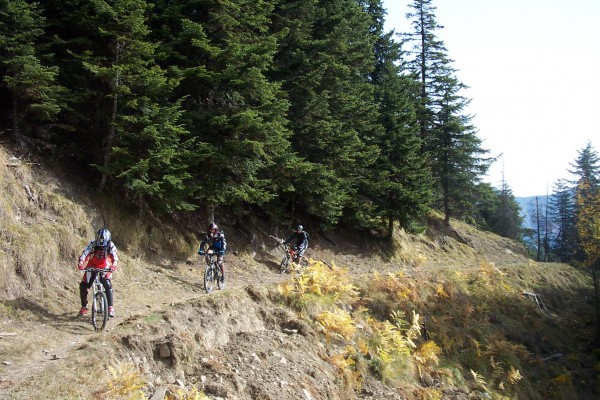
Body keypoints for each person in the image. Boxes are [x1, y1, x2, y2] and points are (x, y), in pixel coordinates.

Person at [77, 228, 118, 318]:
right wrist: (81, 262)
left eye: (103, 247)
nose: (101, 248)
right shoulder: (93, 243)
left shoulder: (111, 245)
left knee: (107, 283)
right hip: (92, 265)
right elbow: (85, 253)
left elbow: (115, 258)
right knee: (84, 285)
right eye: (99, 247)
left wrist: (113, 266)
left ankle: (110, 307)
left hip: (104, 265)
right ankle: (84, 306)